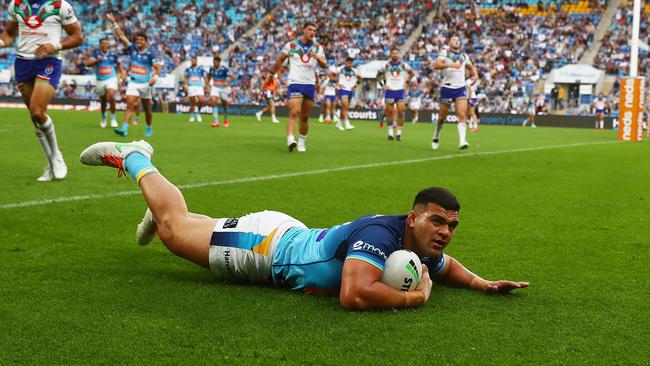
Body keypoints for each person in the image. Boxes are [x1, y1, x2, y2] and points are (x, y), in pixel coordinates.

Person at [79, 140, 529, 310]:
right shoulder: (379, 236)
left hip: (283, 236)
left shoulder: (414, 239)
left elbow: (443, 265)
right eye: (437, 221)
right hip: (265, 250)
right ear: (413, 218)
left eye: (451, 225)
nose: (445, 232)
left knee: (183, 223)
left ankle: (159, 207)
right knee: (176, 232)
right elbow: (354, 294)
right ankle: (137, 156)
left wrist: (482, 283)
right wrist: (415, 296)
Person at [1, 0, 83, 181]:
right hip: (23, 63)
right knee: (35, 118)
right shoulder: (16, 4)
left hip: (49, 61)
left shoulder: (60, 5)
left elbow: (77, 36)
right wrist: (2, 41)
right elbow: (9, 34)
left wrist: (55, 46)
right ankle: (50, 165)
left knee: (38, 112)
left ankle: (56, 156)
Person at [268, 22, 328, 152]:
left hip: (309, 85)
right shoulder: (291, 46)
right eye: (310, 29)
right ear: (304, 30)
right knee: (294, 112)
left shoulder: (318, 48)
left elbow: (324, 65)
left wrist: (317, 57)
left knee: (305, 117)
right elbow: (279, 61)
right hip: (295, 82)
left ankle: (301, 142)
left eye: (314, 31)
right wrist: (271, 74)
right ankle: (290, 139)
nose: (312, 32)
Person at [107, 14, 160, 138]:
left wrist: (155, 78)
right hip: (133, 83)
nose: (138, 42)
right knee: (130, 105)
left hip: (145, 84)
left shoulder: (151, 55)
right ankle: (124, 128)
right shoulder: (133, 50)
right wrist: (114, 23)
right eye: (137, 40)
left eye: (141, 40)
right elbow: (121, 36)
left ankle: (149, 127)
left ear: (146, 42)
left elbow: (158, 69)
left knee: (147, 109)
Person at [431, 36, 478, 150]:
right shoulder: (444, 52)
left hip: (460, 88)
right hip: (447, 88)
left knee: (462, 114)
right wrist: (450, 65)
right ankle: (436, 135)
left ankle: (462, 141)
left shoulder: (464, 56)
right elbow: (436, 65)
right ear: (449, 42)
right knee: (442, 117)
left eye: (458, 40)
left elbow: (471, 68)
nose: (457, 41)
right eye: (454, 39)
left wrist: (475, 76)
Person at [376, 48, 415, 141]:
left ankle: (398, 134)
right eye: (393, 53)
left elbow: (411, 73)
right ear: (390, 55)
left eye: (396, 53)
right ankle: (390, 134)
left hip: (400, 91)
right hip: (389, 91)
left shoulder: (402, 64)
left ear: (398, 55)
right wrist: (382, 85)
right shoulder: (386, 65)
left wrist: (407, 82)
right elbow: (377, 75)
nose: (395, 55)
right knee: (389, 113)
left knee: (401, 112)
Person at [87, 38, 122, 128]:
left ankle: (113, 118)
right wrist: (97, 60)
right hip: (100, 80)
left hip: (111, 78)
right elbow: (88, 63)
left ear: (109, 45)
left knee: (111, 95)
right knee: (103, 100)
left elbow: (119, 64)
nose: (105, 45)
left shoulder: (114, 54)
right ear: (100, 45)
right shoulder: (96, 54)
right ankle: (103, 117)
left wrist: (122, 73)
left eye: (107, 43)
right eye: (103, 43)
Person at [207, 55, 234, 128]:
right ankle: (216, 121)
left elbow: (232, 77)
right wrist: (207, 85)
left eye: (215, 62)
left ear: (219, 62)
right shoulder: (212, 69)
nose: (214, 63)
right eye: (213, 62)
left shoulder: (224, 69)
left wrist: (227, 83)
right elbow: (209, 76)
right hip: (215, 87)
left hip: (223, 88)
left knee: (224, 105)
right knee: (213, 101)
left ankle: (225, 119)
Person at [335, 57, 359, 131]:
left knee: (344, 108)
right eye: (348, 62)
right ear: (345, 62)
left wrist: (356, 85)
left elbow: (361, 78)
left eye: (351, 62)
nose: (349, 64)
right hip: (342, 89)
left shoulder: (355, 71)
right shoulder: (340, 69)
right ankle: (347, 123)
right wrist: (336, 84)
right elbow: (332, 75)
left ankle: (339, 124)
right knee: (345, 105)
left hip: (350, 90)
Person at [184, 56, 206, 123]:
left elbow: (205, 77)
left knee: (202, 100)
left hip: (199, 86)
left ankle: (198, 113)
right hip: (191, 86)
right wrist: (185, 85)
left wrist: (206, 84)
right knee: (193, 102)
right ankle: (192, 115)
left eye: (194, 61)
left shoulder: (201, 69)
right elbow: (186, 78)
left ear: (196, 61)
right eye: (192, 61)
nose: (193, 62)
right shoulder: (188, 69)